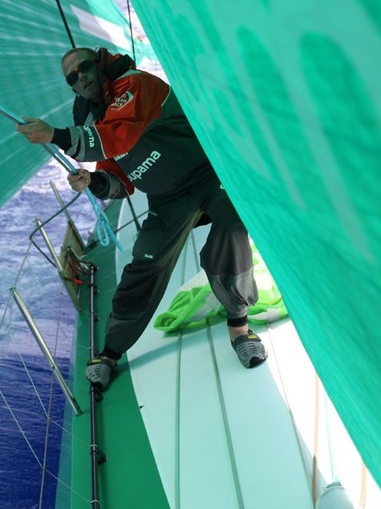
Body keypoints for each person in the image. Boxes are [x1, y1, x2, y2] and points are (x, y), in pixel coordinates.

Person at [16, 46, 266, 391]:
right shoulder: (92, 120)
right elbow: (119, 181)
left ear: (100, 64)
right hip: (167, 199)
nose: (81, 77)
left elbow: (118, 136)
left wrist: (56, 136)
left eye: (84, 67)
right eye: (72, 78)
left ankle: (239, 324)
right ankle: (110, 351)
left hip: (207, 175)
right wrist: (94, 181)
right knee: (143, 264)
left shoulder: (133, 85)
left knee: (233, 223)